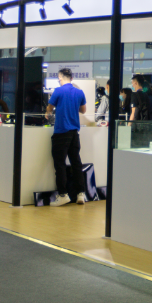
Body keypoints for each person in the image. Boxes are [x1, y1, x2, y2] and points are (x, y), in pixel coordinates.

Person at [45, 68, 87, 207]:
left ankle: (63, 195)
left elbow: (50, 108)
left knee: (60, 164)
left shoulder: (58, 91)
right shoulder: (79, 92)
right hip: (74, 133)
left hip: (61, 132)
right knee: (76, 163)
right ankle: (80, 193)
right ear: (72, 78)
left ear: (60, 78)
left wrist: (48, 112)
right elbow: (83, 110)